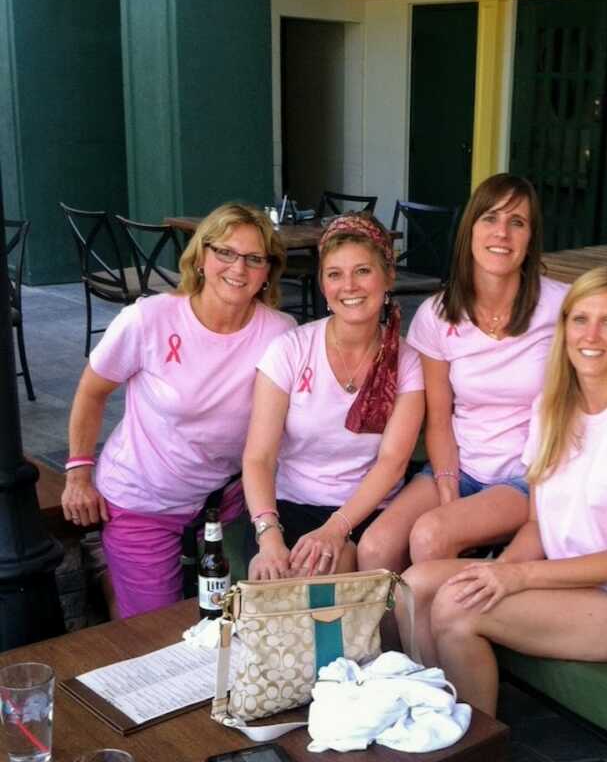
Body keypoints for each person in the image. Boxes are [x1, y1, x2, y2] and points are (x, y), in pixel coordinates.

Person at [404, 266, 607, 762]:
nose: (591, 334)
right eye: (580, 319)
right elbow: (539, 524)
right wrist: (498, 571)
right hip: (568, 578)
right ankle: (437, 739)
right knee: (419, 584)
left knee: (458, 613)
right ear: (563, 331)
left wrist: (512, 579)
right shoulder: (552, 411)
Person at [61, 203, 293, 618]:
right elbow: (92, 391)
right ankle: (112, 578)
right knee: (157, 631)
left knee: (234, 619)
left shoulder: (279, 332)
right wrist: (78, 472)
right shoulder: (149, 319)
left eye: (254, 258)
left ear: (267, 272)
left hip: (223, 503)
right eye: (225, 252)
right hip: (143, 499)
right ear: (201, 257)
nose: (238, 268)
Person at [358, 173, 567, 588]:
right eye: (490, 218)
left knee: (431, 534)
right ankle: (388, 654)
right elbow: (439, 419)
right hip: (461, 465)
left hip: (526, 475)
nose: (502, 233)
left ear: (530, 239)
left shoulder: (561, 305)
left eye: (517, 223)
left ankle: (439, 651)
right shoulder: (438, 314)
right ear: (470, 228)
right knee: (375, 549)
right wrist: (448, 485)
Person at [242, 213, 424, 579]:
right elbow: (258, 458)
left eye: (362, 271)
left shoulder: (407, 361)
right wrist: (269, 536)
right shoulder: (290, 350)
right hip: (295, 502)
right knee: (275, 582)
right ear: (323, 286)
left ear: (388, 276)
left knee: (325, 576)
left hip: (369, 507)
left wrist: (337, 527)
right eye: (334, 274)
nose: (349, 286)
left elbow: (392, 462)